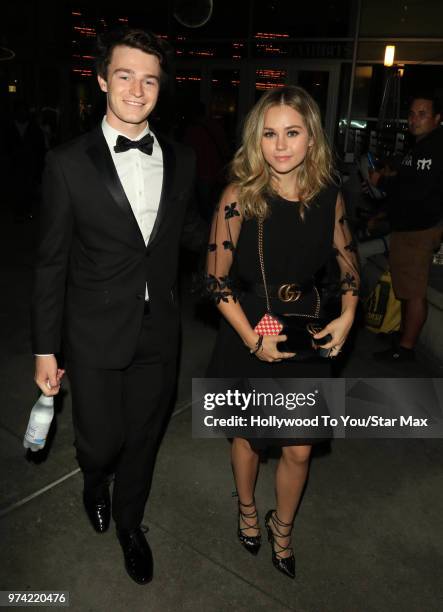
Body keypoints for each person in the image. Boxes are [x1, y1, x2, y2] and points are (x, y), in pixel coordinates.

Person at [31, 28, 200, 585]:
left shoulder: (182, 159)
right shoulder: (66, 163)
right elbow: (52, 263)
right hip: (94, 330)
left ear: (160, 88)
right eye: (124, 75)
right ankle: (92, 478)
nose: (136, 88)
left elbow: (193, 234)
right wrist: (45, 349)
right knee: (100, 440)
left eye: (149, 78)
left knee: (145, 439)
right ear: (103, 79)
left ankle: (131, 523)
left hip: (161, 330)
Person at [205, 86, 359, 578]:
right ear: (257, 139)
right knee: (251, 437)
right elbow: (215, 280)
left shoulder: (329, 196)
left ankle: (283, 526)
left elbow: (350, 266)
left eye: (292, 132)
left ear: (311, 138)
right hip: (250, 322)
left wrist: (349, 312)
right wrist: (252, 338)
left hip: (307, 327)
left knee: (299, 444)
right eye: (270, 133)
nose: (281, 144)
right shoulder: (239, 197)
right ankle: (248, 509)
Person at [369, 94, 443, 361]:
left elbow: (418, 191)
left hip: (419, 230)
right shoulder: (419, 147)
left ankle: (406, 348)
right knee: (406, 288)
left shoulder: (435, 148)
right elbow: (408, 182)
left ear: (437, 119)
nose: (415, 119)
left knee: (413, 292)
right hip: (408, 228)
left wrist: (383, 183)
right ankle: (402, 335)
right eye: (412, 113)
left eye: (423, 114)